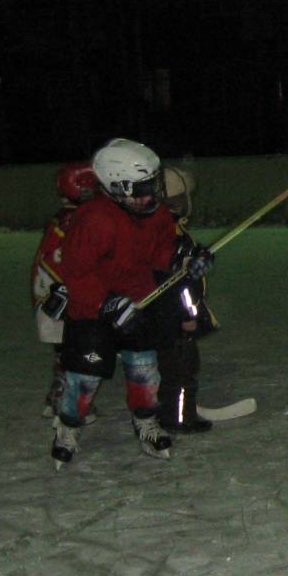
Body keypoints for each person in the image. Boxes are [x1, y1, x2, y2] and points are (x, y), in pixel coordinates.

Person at [51, 139, 211, 466]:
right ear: (117, 188)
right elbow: (76, 273)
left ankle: (146, 420)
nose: (152, 195)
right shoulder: (94, 219)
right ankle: (68, 426)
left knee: (144, 369)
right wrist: (106, 303)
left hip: (139, 304)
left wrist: (184, 260)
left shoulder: (156, 214)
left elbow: (161, 251)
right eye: (143, 188)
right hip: (93, 312)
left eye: (153, 185)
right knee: (86, 375)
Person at [34, 160, 98, 420]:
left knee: (66, 350)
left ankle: (57, 396)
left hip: (51, 293)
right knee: (79, 350)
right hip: (64, 295)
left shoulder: (64, 218)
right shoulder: (78, 221)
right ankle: (69, 403)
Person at [155, 167, 216, 432]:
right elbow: (179, 285)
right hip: (175, 318)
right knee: (182, 370)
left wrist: (198, 258)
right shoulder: (170, 235)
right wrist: (188, 315)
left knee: (175, 369)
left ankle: (173, 412)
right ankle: (180, 418)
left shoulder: (169, 230)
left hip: (166, 316)